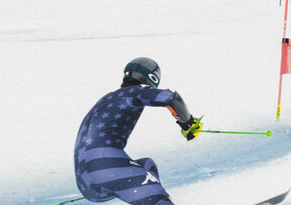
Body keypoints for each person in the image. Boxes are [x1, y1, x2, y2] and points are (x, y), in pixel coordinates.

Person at [74, 57, 203, 205]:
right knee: (159, 201)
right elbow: (170, 98)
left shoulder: (107, 99)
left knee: (148, 166)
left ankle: (136, 190)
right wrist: (188, 123)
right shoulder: (134, 92)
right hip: (106, 167)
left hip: (87, 181)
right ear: (151, 77)